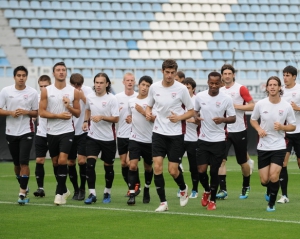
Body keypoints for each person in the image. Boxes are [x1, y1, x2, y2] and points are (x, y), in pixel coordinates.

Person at [145, 59, 194, 212]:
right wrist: (147, 112)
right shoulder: (154, 87)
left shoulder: (181, 89)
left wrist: (179, 118)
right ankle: (163, 203)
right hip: (158, 132)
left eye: (173, 73)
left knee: (173, 170)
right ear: (162, 72)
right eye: (167, 72)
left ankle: (183, 188)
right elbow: (149, 105)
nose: (170, 75)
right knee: (157, 167)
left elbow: (191, 111)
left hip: (175, 134)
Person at [250, 76, 296, 212]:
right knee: (264, 180)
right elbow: (253, 120)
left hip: (279, 146)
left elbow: (293, 126)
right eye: (270, 85)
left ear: (279, 87)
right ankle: (270, 189)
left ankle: (271, 203)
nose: (272, 87)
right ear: (267, 87)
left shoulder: (286, 106)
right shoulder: (260, 104)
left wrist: (282, 127)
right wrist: (259, 129)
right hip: (263, 146)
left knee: (274, 175)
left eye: (275, 85)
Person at [39, 62, 81, 205]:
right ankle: (64, 189)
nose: (61, 72)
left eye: (63, 70)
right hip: (51, 131)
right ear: (54, 73)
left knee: (63, 160)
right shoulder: (46, 91)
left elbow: (78, 113)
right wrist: (58, 116)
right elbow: (41, 112)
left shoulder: (73, 91)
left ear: (66, 72)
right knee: (56, 162)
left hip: (67, 131)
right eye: (58, 70)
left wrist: (68, 106)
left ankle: (58, 194)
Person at [195, 72, 236, 210]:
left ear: (221, 83)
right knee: (201, 171)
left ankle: (212, 200)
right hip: (203, 139)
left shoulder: (226, 99)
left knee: (214, 172)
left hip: (219, 140)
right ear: (207, 82)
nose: (213, 86)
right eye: (211, 83)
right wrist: (196, 117)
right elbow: (194, 112)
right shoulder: (200, 96)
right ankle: (207, 190)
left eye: (216, 83)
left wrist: (222, 119)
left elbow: (233, 118)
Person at [0, 66, 38, 204]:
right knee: (16, 164)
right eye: (18, 75)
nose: (21, 77)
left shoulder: (33, 92)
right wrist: (10, 112)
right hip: (11, 132)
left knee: (24, 162)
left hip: (26, 131)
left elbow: (36, 112)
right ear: (14, 77)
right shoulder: (6, 91)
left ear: (26, 77)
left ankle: (22, 194)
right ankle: (24, 184)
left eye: (23, 75)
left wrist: (25, 111)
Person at [216, 64, 255, 200]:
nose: (227, 76)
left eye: (229, 73)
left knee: (242, 162)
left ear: (233, 75)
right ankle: (223, 190)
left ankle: (246, 186)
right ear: (222, 75)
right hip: (224, 131)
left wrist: (235, 106)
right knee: (221, 160)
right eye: (224, 73)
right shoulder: (219, 90)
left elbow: (252, 104)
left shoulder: (240, 88)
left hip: (239, 130)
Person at [83, 73, 119, 204]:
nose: (98, 85)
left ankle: (107, 192)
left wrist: (102, 117)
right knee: (90, 164)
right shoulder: (90, 97)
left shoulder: (112, 99)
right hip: (93, 137)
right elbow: (87, 109)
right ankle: (92, 193)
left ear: (107, 84)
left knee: (108, 167)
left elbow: (116, 118)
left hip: (108, 138)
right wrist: (86, 121)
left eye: (101, 83)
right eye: (96, 83)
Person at [127, 76, 155, 205]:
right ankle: (132, 193)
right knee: (132, 165)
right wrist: (129, 119)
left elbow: (155, 120)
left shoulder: (153, 102)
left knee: (148, 168)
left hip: (149, 140)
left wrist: (143, 112)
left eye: (148, 85)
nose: (145, 88)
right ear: (138, 85)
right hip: (135, 138)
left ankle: (147, 189)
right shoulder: (131, 101)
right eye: (143, 85)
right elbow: (130, 116)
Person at [276, 66, 300, 204]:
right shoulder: (281, 91)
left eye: (288, 75)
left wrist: (298, 108)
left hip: (299, 132)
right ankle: (284, 195)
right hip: (285, 132)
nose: (285, 77)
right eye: (284, 75)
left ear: (294, 76)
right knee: (283, 163)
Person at [67, 73, 93, 201]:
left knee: (82, 160)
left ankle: (83, 189)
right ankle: (76, 189)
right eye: (74, 85)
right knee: (70, 162)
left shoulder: (87, 91)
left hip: (83, 131)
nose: (76, 87)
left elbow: (91, 104)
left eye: (79, 85)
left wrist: (81, 94)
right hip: (69, 130)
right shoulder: (66, 91)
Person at [115, 73, 140, 196]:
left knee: (131, 163)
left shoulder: (138, 97)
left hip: (134, 135)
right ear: (123, 82)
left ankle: (135, 186)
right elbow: (112, 115)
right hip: (121, 134)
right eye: (127, 80)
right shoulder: (117, 98)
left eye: (132, 80)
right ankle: (132, 185)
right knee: (124, 163)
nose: (130, 82)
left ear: (134, 82)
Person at [179, 77, 200, 199]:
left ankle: (195, 189)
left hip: (193, 138)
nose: (186, 90)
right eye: (185, 88)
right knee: (175, 164)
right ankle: (181, 187)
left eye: (188, 88)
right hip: (180, 137)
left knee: (194, 167)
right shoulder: (179, 100)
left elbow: (200, 121)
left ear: (193, 89)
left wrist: (189, 119)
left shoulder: (197, 101)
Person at [33, 75, 51, 198]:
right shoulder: (37, 98)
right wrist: (34, 116)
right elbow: (34, 112)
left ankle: (62, 188)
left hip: (56, 133)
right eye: (41, 86)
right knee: (39, 160)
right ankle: (40, 188)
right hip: (41, 132)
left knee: (59, 162)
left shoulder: (56, 97)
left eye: (46, 86)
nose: (43, 88)